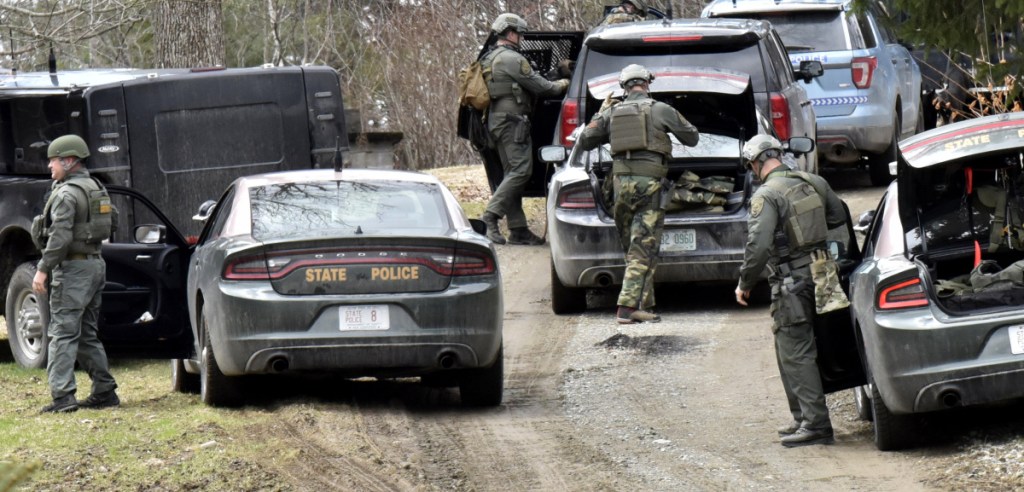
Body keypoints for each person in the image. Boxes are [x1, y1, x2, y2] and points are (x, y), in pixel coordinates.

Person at [733, 134, 847, 447]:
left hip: (790, 281)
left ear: (756, 164)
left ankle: (815, 424)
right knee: (828, 341)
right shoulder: (813, 181)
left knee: (795, 351)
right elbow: (839, 216)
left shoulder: (767, 195)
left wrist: (745, 283)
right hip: (824, 274)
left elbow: (757, 246)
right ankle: (801, 418)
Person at [577, 64, 699, 324]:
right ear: (647, 84)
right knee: (643, 248)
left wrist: (601, 112)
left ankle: (644, 303)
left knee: (633, 248)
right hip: (650, 186)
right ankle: (626, 307)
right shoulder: (660, 109)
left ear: (624, 86)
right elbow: (692, 138)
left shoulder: (610, 112)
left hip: (620, 187)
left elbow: (586, 140)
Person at [33, 134, 120, 413]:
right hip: (95, 265)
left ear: (68, 161)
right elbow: (113, 221)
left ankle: (63, 396)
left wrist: (43, 269)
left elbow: (59, 237)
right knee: (86, 332)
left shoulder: (66, 194)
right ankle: (104, 391)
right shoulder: (97, 188)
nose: (50, 167)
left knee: (61, 332)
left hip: (71, 269)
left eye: (53, 161)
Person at [480, 13, 570, 246]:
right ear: (510, 33)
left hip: (499, 121)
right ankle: (491, 215)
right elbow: (543, 88)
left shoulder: (491, 57)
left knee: (512, 172)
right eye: (519, 33)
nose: (520, 37)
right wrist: (565, 83)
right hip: (512, 122)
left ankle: (518, 229)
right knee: (521, 172)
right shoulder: (511, 59)